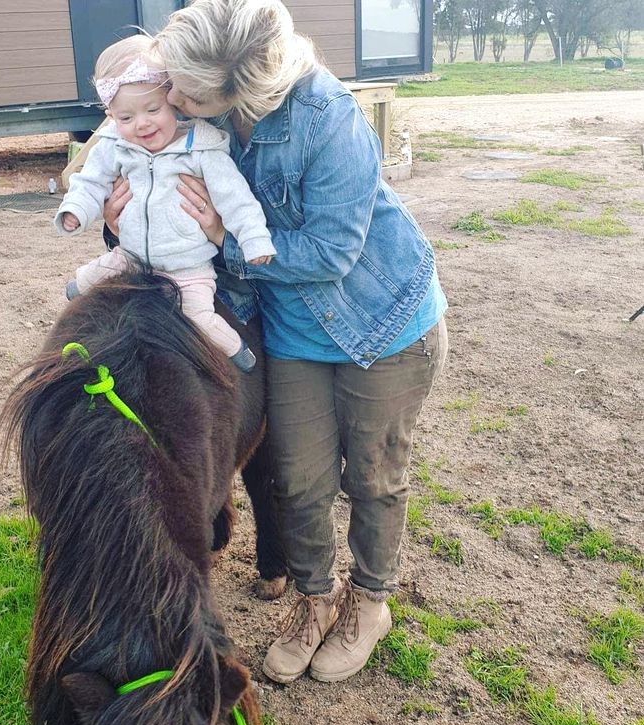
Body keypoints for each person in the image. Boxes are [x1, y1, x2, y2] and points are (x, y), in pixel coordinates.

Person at [108, 0, 448, 684]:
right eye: (172, 85)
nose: (171, 102)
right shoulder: (197, 111)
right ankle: (313, 599)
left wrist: (221, 242)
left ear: (243, 93)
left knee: (374, 476)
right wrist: (117, 220)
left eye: (188, 93)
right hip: (291, 326)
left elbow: (329, 254)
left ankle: (370, 603)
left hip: (377, 321)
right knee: (297, 479)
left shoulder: (329, 120)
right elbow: (135, 169)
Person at [55, 34, 276, 372]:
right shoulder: (115, 146)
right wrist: (76, 211)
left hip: (187, 268)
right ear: (111, 116)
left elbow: (237, 199)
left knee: (198, 317)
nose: (141, 124)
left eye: (152, 110)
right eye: (125, 118)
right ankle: (77, 287)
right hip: (131, 257)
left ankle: (238, 351)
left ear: (171, 100)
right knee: (87, 282)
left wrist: (254, 239)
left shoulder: (200, 150)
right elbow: (90, 182)